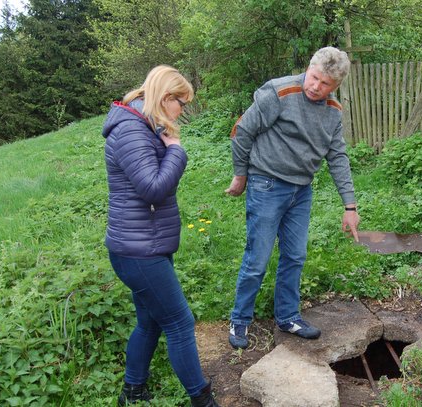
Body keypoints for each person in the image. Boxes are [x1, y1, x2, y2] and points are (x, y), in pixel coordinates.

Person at [225, 47, 361, 349]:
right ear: (308, 68)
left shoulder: (333, 111)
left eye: (325, 84)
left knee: (295, 256)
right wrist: (240, 174)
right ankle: (240, 319)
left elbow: (337, 156)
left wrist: (349, 205)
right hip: (266, 184)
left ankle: (287, 317)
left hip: (301, 191)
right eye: (313, 78)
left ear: (335, 87)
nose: (315, 87)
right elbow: (242, 131)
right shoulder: (279, 92)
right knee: (257, 258)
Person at [102, 65, 219, 407]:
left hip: (144, 244)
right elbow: (153, 189)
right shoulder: (131, 130)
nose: (183, 111)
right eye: (182, 103)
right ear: (166, 98)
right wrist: (176, 150)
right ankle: (203, 400)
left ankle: (133, 391)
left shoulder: (142, 124)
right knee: (180, 322)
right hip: (139, 252)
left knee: (151, 322)